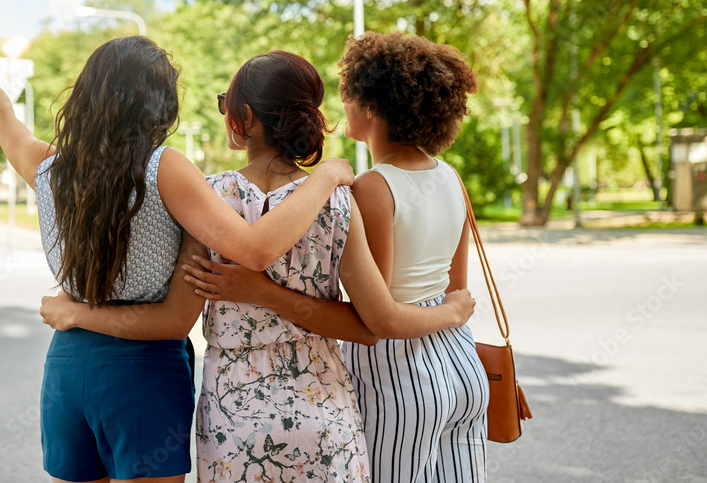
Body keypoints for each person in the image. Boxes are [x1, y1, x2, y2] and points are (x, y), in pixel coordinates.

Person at [39, 50, 476, 482]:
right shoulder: (339, 201)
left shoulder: (207, 198)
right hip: (324, 412)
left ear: (242, 118)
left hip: (236, 416)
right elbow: (367, 326)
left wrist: (78, 303)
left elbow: (166, 300)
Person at [0, 37, 355, 483]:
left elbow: (1, 118)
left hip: (67, 367)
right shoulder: (164, 167)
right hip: (141, 371)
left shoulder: (48, 168)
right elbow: (252, 251)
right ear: (160, 105)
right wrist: (326, 177)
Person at [186, 33, 488, 482]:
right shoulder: (372, 192)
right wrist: (452, 312)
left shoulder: (212, 196)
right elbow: (436, 296)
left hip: (365, 381)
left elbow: (379, 318)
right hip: (427, 372)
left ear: (244, 117)